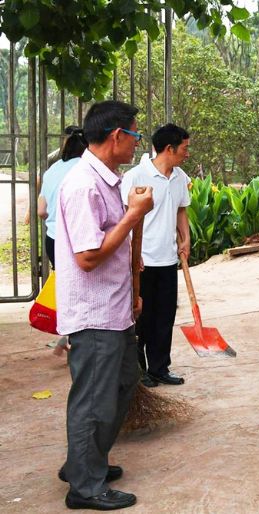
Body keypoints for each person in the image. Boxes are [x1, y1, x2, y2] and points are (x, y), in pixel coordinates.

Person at [54, 100, 153, 511]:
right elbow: (88, 257)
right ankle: (85, 486)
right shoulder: (82, 185)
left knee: (122, 384)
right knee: (94, 399)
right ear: (117, 136)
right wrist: (132, 217)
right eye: (134, 135)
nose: (135, 144)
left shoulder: (106, 180)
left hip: (114, 310)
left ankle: (85, 461)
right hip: (94, 313)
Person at [120, 124, 191, 387]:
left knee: (165, 316)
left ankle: (160, 367)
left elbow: (181, 210)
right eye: (184, 148)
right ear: (169, 148)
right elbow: (124, 217)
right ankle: (139, 371)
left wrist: (186, 238)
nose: (187, 153)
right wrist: (130, 251)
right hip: (143, 260)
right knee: (142, 318)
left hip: (167, 259)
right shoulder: (137, 177)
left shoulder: (180, 177)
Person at [38, 126, 88, 267]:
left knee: (62, 285)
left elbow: (41, 211)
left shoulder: (52, 169)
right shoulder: (88, 169)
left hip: (53, 240)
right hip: (78, 243)